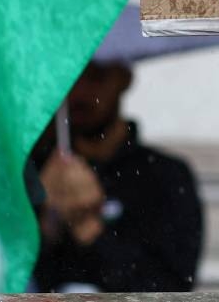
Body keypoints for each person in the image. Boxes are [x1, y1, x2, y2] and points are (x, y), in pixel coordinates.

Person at [31, 54, 203, 292]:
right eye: (71, 78)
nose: (79, 92)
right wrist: (47, 220)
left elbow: (170, 287)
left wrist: (88, 226)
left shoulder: (164, 176)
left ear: (124, 78)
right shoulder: (38, 169)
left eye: (94, 77)